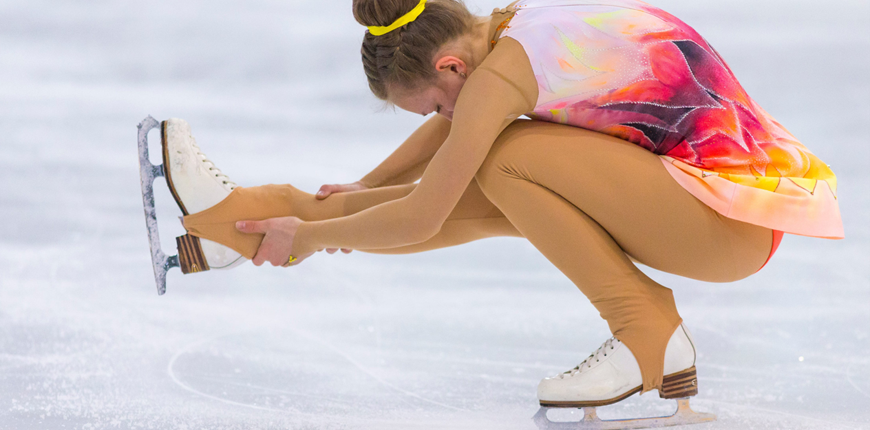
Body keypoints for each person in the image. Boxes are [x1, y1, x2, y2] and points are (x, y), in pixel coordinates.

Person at [158, 0, 843, 415]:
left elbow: (429, 207)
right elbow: (453, 136)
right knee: (500, 173)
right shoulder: (508, 31)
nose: (440, 116)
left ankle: (647, 332)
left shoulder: (498, 82)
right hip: (718, 212)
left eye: (431, 103)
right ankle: (233, 225)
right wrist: (356, 194)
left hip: (723, 222)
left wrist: (310, 237)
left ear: (450, 69)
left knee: (501, 159)